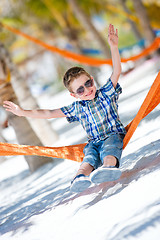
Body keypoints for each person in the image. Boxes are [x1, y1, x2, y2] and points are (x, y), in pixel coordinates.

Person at [3, 24, 126, 193]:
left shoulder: (105, 93)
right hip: (93, 143)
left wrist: (114, 47)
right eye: (80, 89)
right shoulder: (77, 107)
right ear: (74, 95)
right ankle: (80, 178)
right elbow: (49, 113)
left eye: (88, 83)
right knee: (87, 159)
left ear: (92, 79)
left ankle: (108, 168)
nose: (87, 89)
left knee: (110, 150)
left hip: (113, 135)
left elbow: (117, 71)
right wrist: (22, 112)